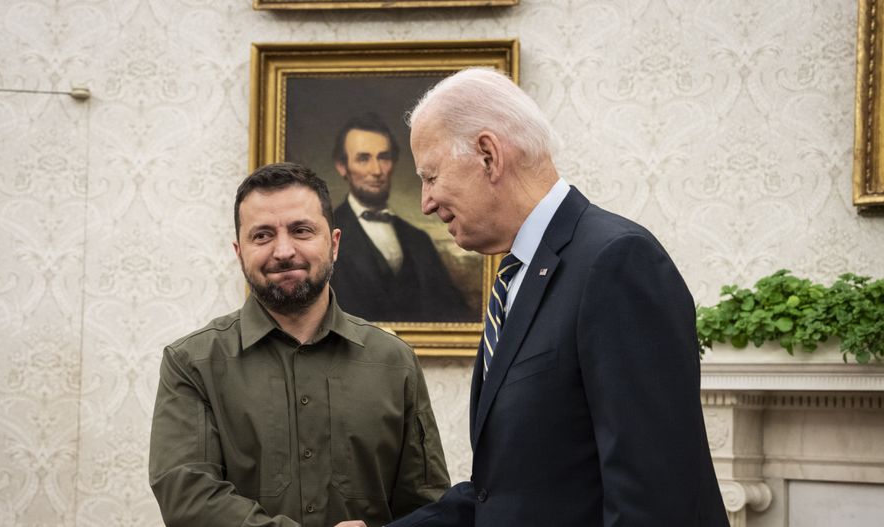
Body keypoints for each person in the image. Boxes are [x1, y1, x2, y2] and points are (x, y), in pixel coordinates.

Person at [382, 69, 730, 526]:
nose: (424, 201)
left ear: (488, 155)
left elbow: (656, 497)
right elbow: (506, 490)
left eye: (430, 176)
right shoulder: (518, 277)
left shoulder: (616, 262)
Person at [148, 162, 451, 527]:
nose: (283, 250)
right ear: (239, 251)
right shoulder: (192, 363)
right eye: (262, 236)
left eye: (301, 230)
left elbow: (427, 507)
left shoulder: (394, 362)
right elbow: (188, 500)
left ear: (334, 244)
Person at [330, 113, 474, 323]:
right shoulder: (324, 235)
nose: (377, 170)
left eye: (384, 157)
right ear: (342, 167)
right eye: (363, 159)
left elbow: (455, 313)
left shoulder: (418, 240)